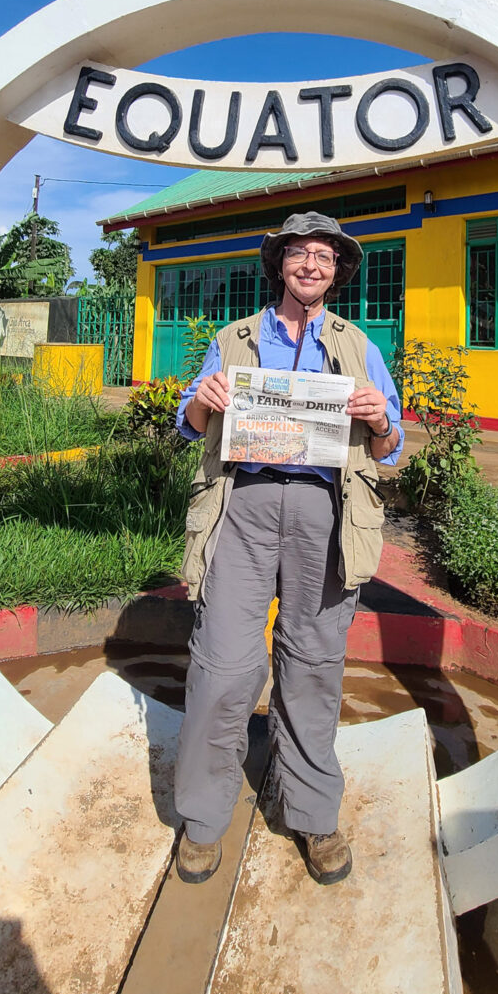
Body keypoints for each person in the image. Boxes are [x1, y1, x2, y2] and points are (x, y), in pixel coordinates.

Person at [173, 211, 404, 886]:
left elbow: (391, 449)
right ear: (279, 266)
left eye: (323, 257)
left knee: (313, 662)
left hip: (323, 514)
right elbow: (189, 424)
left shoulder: (360, 348)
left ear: (337, 272)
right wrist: (205, 400)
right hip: (241, 506)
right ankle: (203, 818)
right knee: (220, 664)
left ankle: (311, 813)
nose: (310, 265)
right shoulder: (234, 339)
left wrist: (379, 418)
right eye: (298, 254)